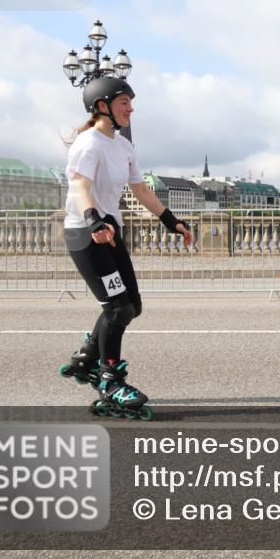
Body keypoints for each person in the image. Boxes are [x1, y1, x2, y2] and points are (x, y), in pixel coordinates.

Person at [58, 77, 193, 420]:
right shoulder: (88, 144)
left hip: (110, 232)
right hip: (86, 233)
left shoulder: (123, 146)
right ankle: (110, 380)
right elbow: (80, 186)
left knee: (132, 305)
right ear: (102, 106)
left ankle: (87, 357)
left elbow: (141, 191)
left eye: (131, 102)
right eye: (124, 102)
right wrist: (93, 221)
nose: (131, 108)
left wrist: (172, 221)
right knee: (118, 309)